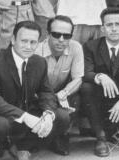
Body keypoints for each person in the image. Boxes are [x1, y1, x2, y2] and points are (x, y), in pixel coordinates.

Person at [0, 21, 70, 160]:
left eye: (33, 42)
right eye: (24, 41)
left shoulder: (39, 62)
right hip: (3, 115)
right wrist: (25, 116)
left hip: (28, 112)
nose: (28, 46)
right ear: (13, 39)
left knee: (62, 117)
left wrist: (48, 113)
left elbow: (46, 91)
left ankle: (23, 146)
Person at [80, 8, 119, 157]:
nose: (113, 28)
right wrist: (100, 76)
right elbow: (86, 73)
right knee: (86, 87)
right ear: (102, 28)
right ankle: (101, 138)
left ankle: (111, 131)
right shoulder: (90, 47)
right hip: (96, 99)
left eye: (117, 24)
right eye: (109, 25)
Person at [34, 15, 84, 153]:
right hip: (39, 96)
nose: (61, 40)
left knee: (80, 93)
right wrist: (51, 99)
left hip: (62, 93)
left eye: (67, 36)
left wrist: (64, 93)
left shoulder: (76, 47)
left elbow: (78, 78)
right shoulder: (36, 52)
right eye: (56, 34)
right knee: (60, 115)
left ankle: (61, 135)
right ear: (48, 34)